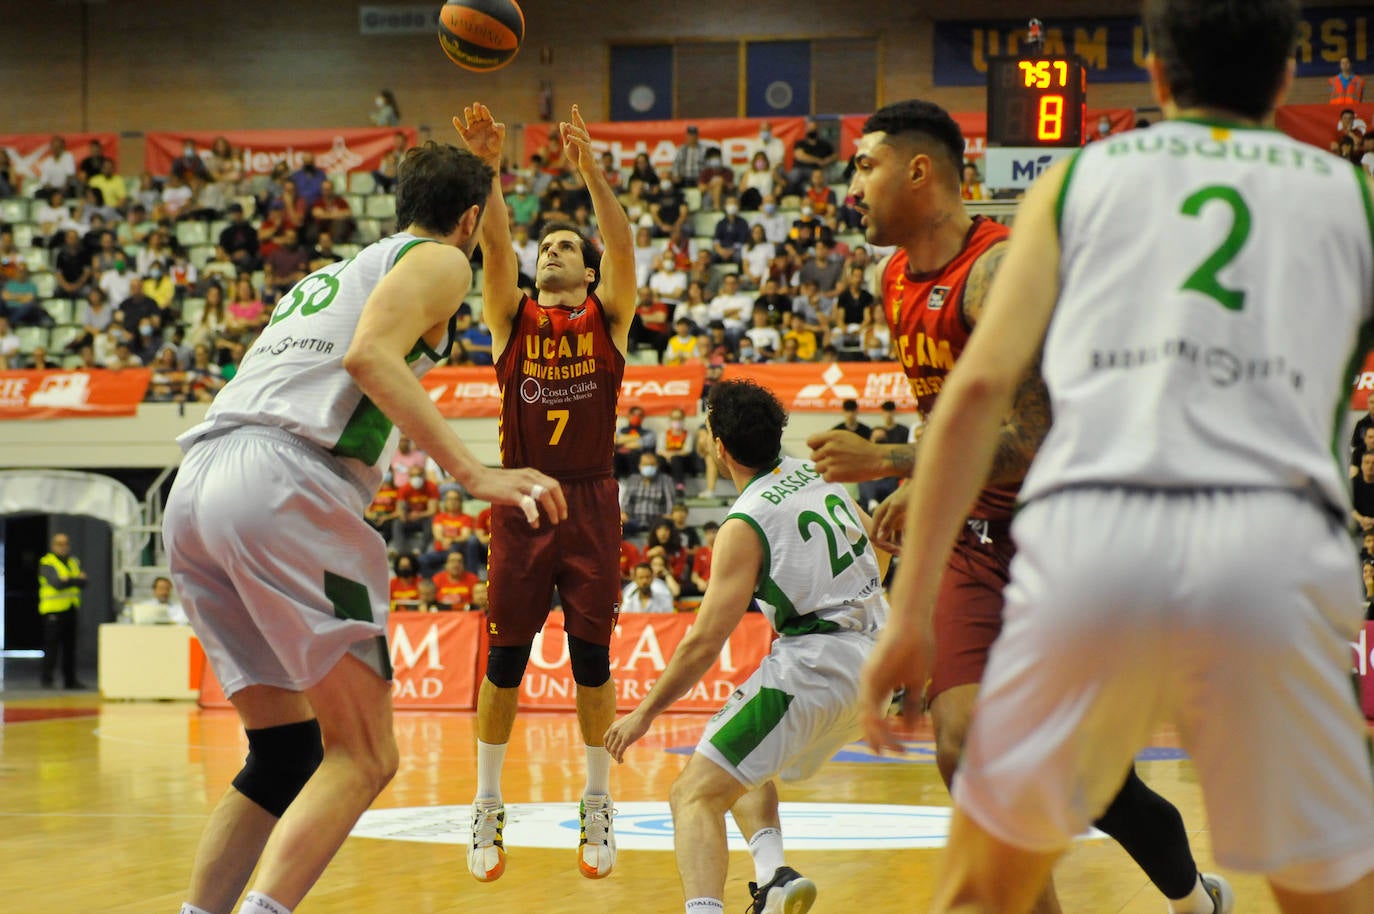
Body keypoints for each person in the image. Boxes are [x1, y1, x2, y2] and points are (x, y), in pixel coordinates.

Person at [861, 2, 1374, 911]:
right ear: (1287, 77)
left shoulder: (1079, 184)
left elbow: (976, 396)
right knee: (1326, 895)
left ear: (1157, 71)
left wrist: (904, 616)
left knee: (982, 891)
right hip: (1274, 552)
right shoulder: (1349, 196)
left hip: (1098, 542)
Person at [807, 96, 1231, 914]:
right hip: (976, 540)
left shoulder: (997, 273)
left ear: (919, 169)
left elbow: (1035, 435)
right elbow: (955, 411)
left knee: (1094, 783)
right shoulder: (894, 275)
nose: (850, 183)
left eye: (865, 164)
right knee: (963, 750)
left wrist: (894, 457)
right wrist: (919, 481)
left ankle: (1195, 900)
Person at [161, 139, 566, 914]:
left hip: (198, 486)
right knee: (365, 754)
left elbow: (480, 282)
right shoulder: (440, 261)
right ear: (468, 221)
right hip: (283, 484)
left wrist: (494, 187)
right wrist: (472, 473)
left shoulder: (335, 272)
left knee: (284, 755)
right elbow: (370, 357)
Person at [605, 379, 889, 914]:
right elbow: (881, 544)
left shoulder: (745, 521)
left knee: (692, 795)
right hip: (877, 662)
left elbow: (704, 641)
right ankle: (773, 875)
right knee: (733, 752)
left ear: (719, 447)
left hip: (817, 667)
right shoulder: (817, 474)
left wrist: (644, 713)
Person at [453, 101, 635, 883]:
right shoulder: (510, 318)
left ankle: (598, 803)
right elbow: (494, 242)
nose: (553, 252)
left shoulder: (610, 318)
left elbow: (623, 243)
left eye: (568, 247)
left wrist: (592, 172)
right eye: (547, 247)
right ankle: (487, 805)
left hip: (591, 501)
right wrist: (489, 167)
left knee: (592, 664)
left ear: (588, 273)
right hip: (522, 504)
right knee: (504, 664)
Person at [38, 532, 87, 689]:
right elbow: (56, 583)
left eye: (65, 543)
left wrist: (70, 580)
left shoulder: (73, 561)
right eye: (59, 544)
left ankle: (70, 680)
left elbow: (84, 582)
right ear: (53, 546)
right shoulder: (47, 562)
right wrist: (75, 580)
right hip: (53, 611)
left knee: (70, 648)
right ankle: (47, 679)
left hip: (71, 608)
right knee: (52, 647)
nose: (63, 547)